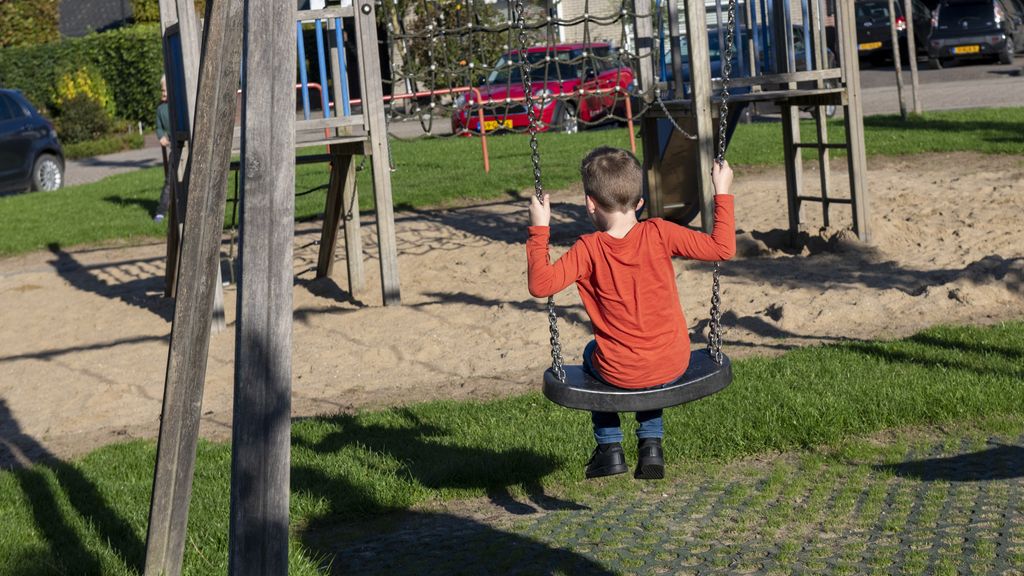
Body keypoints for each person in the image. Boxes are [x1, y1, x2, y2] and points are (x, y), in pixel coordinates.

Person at [526, 146, 735, 480]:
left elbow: (541, 284)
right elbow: (722, 247)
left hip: (619, 370)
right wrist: (722, 191)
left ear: (589, 203)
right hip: (673, 361)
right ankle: (651, 443)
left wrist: (540, 229)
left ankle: (609, 447)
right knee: (649, 359)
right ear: (640, 202)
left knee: (593, 354)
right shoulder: (660, 232)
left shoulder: (588, 250)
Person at [154, 75, 171, 223]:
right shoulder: (161, 109)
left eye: (166, 90)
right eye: (162, 91)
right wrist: (161, 136)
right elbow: (159, 127)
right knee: (170, 182)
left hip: (187, 145)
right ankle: (161, 211)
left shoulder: (180, 105)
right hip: (175, 149)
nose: (164, 94)